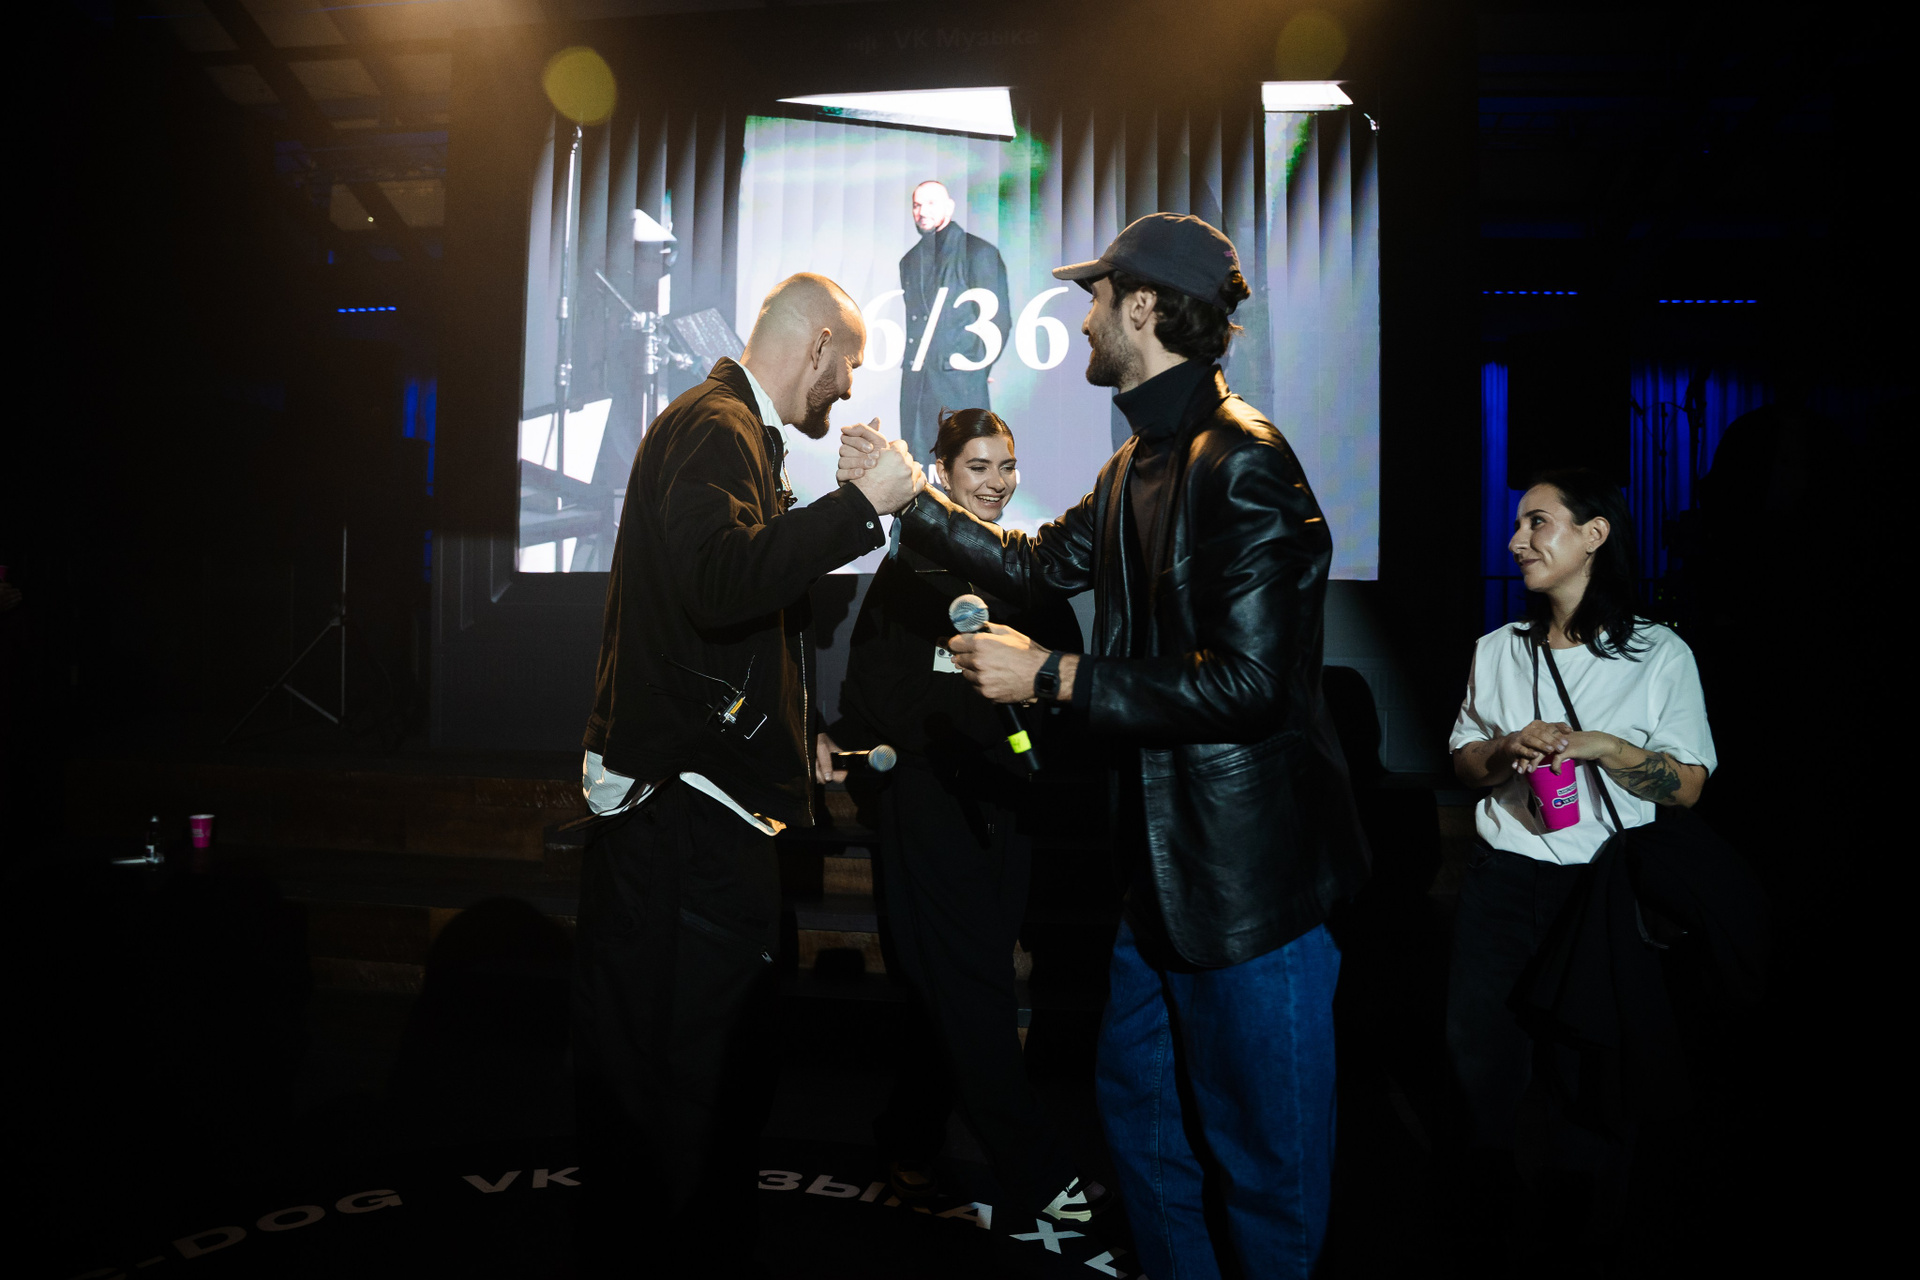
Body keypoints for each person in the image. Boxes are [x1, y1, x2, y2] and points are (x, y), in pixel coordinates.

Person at [838, 212, 1369, 1280]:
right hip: (1158, 886)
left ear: (1143, 308)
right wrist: (911, 499)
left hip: (1249, 894)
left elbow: (1255, 686)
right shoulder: (1138, 461)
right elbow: (1037, 562)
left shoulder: (1245, 463)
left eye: (1096, 298)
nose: (1081, 320)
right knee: (1148, 1141)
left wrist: (1054, 675)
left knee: (1266, 1174)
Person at [571, 272, 924, 1277]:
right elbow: (719, 580)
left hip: (698, 807)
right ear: (816, 348)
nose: (848, 388)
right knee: (689, 1073)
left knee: (694, 1068)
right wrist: (860, 507)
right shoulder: (716, 426)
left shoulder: (731, 431)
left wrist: (793, 732)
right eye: (849, 364)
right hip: (685, 818)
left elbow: (726, 616)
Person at [815, 407, 1101, 1223]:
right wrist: (981, 696)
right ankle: (1041, 1180)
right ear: (940, 475)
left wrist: (1035, 695)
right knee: (970, 991)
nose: (996, 483)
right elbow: (875, 701)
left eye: (1006, 466)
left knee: (958, 991)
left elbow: (1067, 687)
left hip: (1007, 811)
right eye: (978, 467)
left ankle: (908, 1140)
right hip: (930, 807)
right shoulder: (908, 572)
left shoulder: (1029, 572)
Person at [1447, 468, 1717, 1267]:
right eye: (1518, 525)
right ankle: (1486, 1222)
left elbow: (1689, 785)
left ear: (1594, 534)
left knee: (1587, 1068)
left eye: (1537, 523)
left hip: (1598, 886)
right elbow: (1464, 763)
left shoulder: (1658, 653)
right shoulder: (1499, 649)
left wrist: (1605, 748)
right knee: (1483, 1063)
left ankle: (1579, 1233)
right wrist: (1506, 749)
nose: (1516, 541)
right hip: (1501, 882)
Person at [897, 180, 1010, 463]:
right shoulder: (908, 261)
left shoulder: (979, 252)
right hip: (916, 388)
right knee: (919, 471)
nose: (922, 211)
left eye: (930, 203)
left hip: (961, 387)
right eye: (917, 205)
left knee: (969, 466)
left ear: (949, 207)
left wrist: (976, 369)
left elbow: (998, 321)